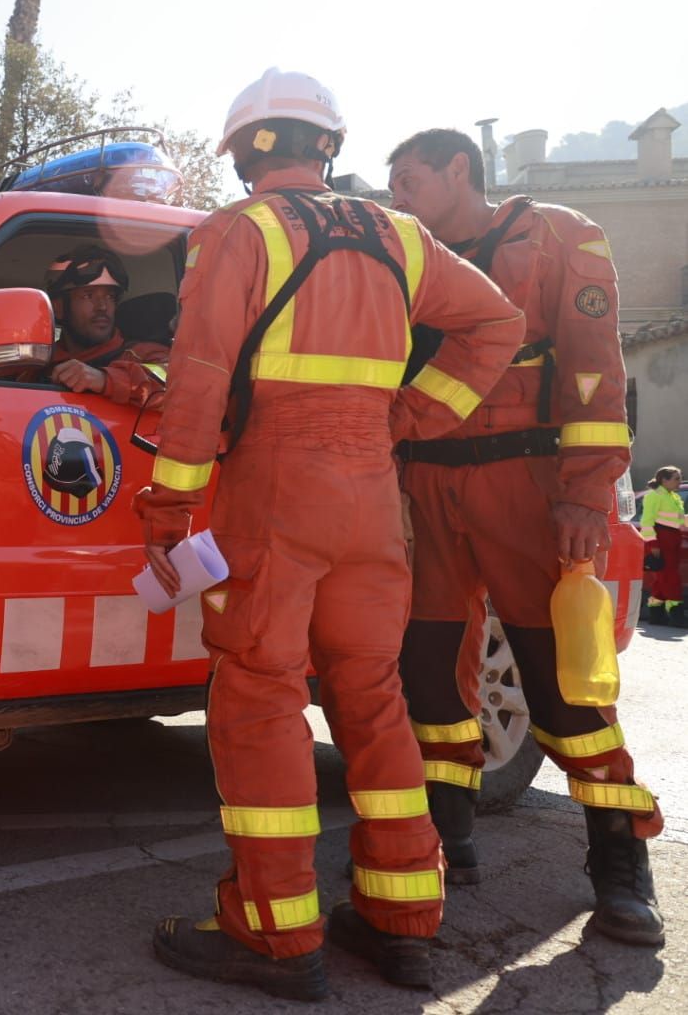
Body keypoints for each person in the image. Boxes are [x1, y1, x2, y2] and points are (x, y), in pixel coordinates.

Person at [138, 69, 524, 1000]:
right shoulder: (399, 234)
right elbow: (497, 323)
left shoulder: (240, 232)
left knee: (260, 698)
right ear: (329, 148)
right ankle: (402, 920)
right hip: (369, 493)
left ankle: (275, 935)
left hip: (279, 489)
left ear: (242, 151)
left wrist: (167, 514)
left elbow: (195, 385)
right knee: (372, 696)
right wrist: (408, 420)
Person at [387, 128, 666, 946]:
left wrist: (585, 493)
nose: (398, 195)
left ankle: (619, 866)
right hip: (426, 485)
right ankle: (449, 840)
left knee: (563, 687)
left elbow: (593, 369)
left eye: (409, 179)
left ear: (458, 169)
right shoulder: (406, 256)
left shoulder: (556, 235)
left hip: (528, 486)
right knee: (430, 681)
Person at [41, 245, 170, 408]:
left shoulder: (142, 353)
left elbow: (182, 385)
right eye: (88, 295)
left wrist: (105, 380)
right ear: (58, 308)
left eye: (110, 296)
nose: (102, 306)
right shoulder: (40, 363)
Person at [640, 465, 685, 627]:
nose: (679, 481)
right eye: (676, 478)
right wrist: (652, 543)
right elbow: (646, 522)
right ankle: (676, 614)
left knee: (662, 579)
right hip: (661, 539)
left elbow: (678, 520)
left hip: (672, 539)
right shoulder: (655, 496)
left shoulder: (672, 496)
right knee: (671, 577)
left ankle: (656, 615)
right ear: (664, 480)